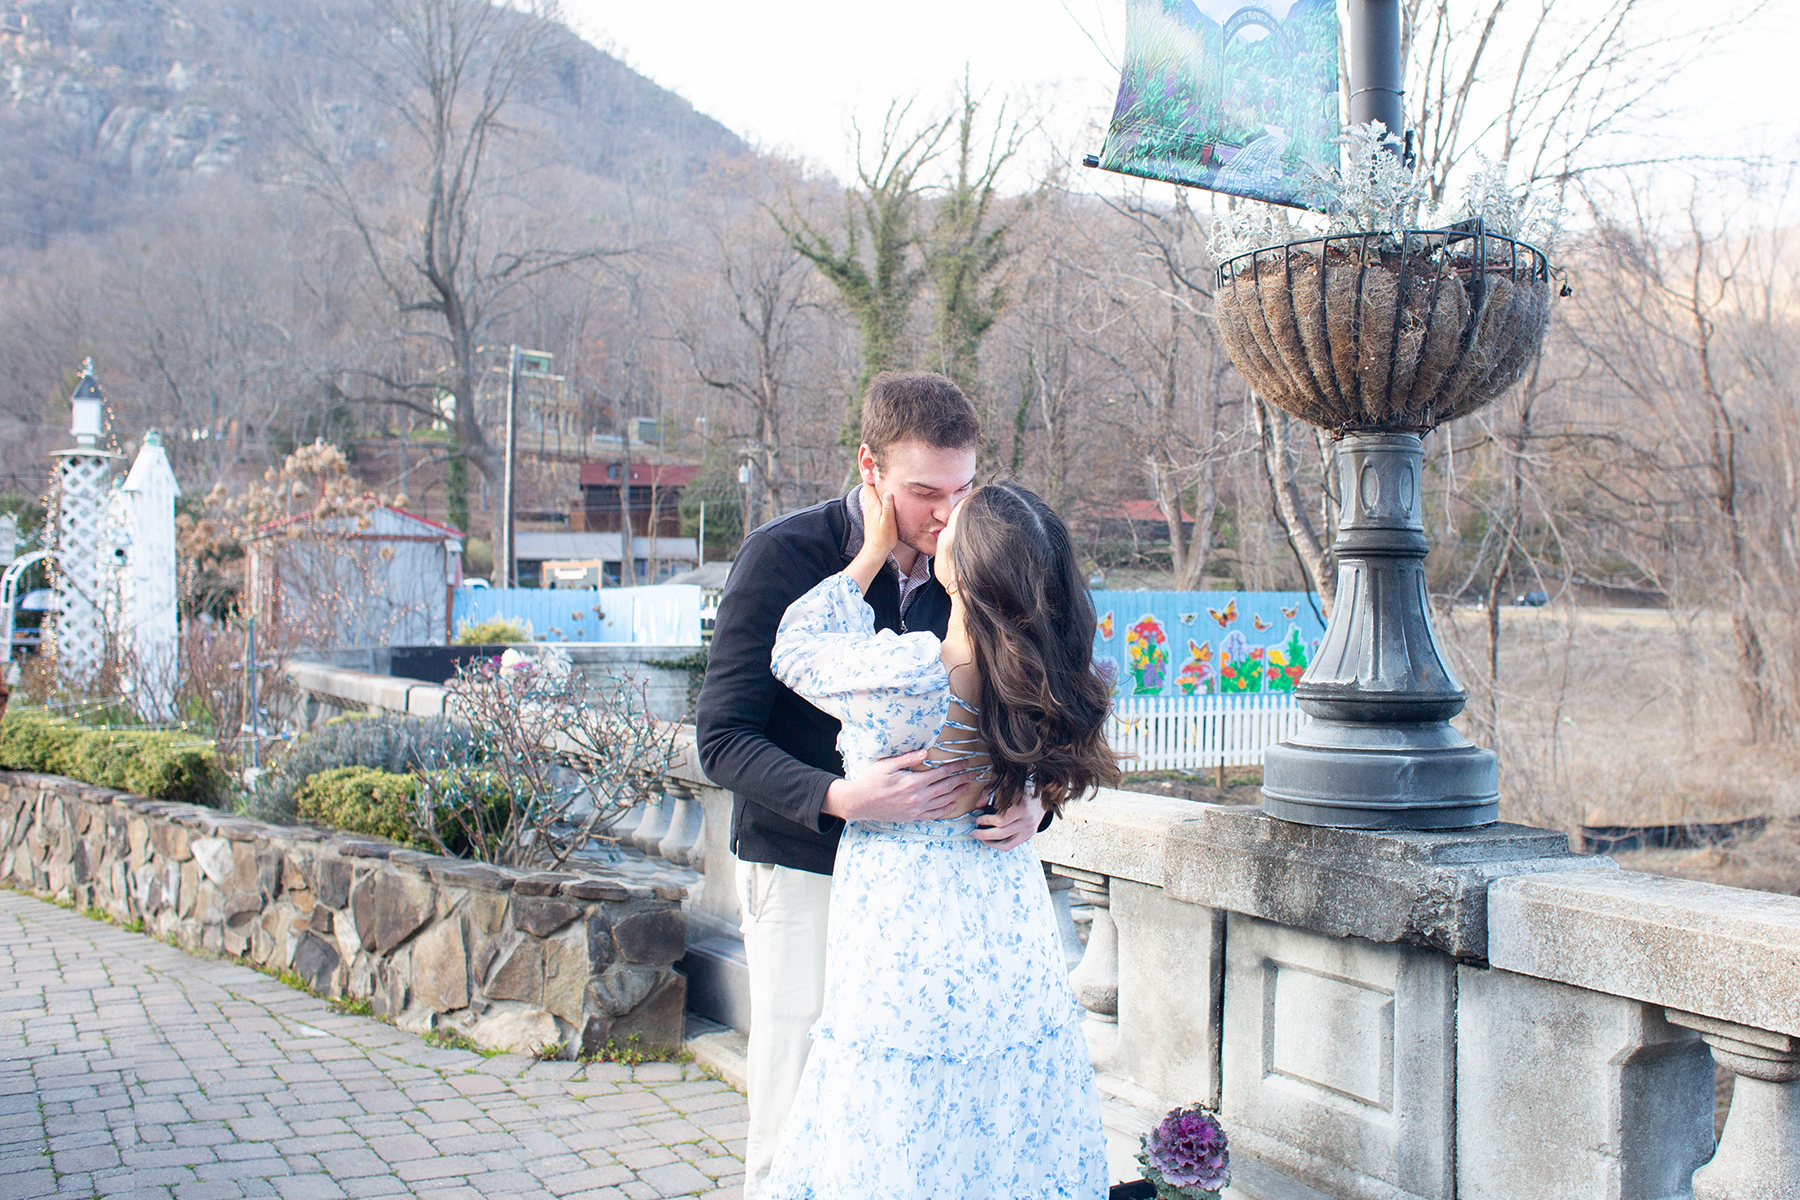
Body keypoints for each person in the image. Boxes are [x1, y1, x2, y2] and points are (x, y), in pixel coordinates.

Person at [695, 371, 1049, 1198]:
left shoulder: (981, 560)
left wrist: (1031, 796)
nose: (948, 515)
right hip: (805, 864)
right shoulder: (784, 557)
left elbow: (1026, 713)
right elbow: (721, 739)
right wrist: (840, 797)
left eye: (964, 491)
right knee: (796, 1100)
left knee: (913, 1119)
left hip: (924, 901)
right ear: (869, 468)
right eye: (925, 492)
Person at [759, 478, 1119, 1198]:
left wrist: (870, 555)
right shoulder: (1057, 678)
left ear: (956, 572)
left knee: (899, 1108)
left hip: (902, 926)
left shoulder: (902, 676)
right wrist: (1032, 805)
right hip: (1003, 912)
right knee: (1003, 1104)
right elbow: (1061, 756)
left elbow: (794, 645)